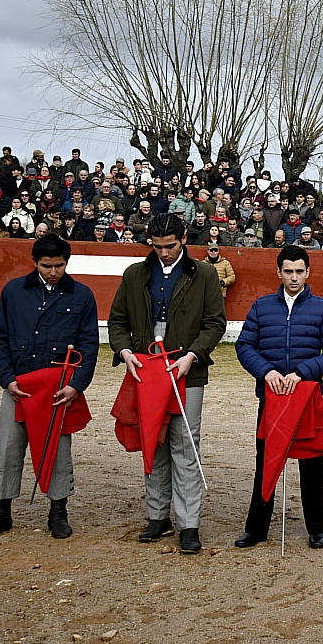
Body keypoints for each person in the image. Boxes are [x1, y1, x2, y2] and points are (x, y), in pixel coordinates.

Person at [107, 215, 228, 554]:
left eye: (170, 246)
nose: (163, 252)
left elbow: (215, 323)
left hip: (186, 369)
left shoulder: (204, 274)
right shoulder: (134, 274)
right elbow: (117, 321)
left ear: (184, 239)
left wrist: (193, 355)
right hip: (145, 369)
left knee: (185, 446)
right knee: (153, 441)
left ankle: (189, 524)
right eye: (157, 246)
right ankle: (158, 517)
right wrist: (125, 350)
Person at [0, 235, 100, 541]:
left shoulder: (81, 295)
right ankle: (0, 513)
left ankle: (58, 512)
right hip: (19, 384)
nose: (53, 271)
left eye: (59, 265)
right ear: (35, 262)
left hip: (57, 389)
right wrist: (7, 379)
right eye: (46, 266)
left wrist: (76, 386)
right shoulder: (14, 291)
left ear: (67, 262)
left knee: (58, 451)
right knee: (8, 450)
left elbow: (88, 345)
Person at [233, 246, 323, 550]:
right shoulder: (261, 306)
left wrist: (303, 373)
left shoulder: (322, 308)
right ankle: (256, 528)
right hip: (271, 399)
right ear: (278, 272)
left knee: (312, 465)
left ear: (308, 272)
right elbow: (245, 346)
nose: (294, 277)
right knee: (266, 463)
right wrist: (266, 372)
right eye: (288, 271)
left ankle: (317, 528)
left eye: (299, 271)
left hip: (306, 398)